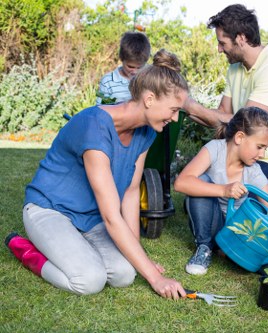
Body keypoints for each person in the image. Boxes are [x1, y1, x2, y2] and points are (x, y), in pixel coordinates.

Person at [5, 49, 188, 299]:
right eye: (174, 109)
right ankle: (24, 249)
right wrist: (154, 277)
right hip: (49, 209)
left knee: (125, 275)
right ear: (149, 99)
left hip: (90, 219)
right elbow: (112, 216)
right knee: (90, 280)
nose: (175, 117)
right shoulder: (95, 126)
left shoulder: (147, 133)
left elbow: (132, 192)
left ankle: (75, 245)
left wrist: (138, 256)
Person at [174, 106, 268, 275]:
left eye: (265, 149)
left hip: (238, 232)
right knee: (200, 182)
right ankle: (204, 248)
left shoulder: (253, 171)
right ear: (240, 137)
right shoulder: (215, 149)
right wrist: (224, 190)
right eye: (259, 146)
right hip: (211, 223)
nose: (262, 154)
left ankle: (227, 252)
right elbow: (181, 183)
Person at [182, 4, 268, 197]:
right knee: (200, 191)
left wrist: (191, 106)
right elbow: (222, 114)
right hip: (238, 151)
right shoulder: (235, 68)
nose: (219, 49)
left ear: (241, 38)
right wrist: (183, 106)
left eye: (222, 43)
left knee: (243, 202)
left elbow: (246, 125)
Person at [96, 31, 151, 105]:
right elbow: (102, 110)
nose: (134, 71)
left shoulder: (150, 78)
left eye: (139, 67)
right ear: (122, 59)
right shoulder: (107, 81)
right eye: (130, 66)